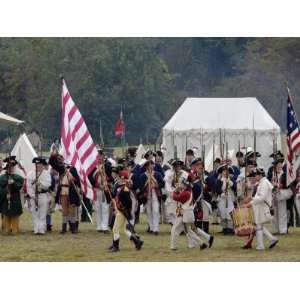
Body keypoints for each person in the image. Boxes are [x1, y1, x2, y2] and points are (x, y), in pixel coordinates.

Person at [170, 178, 213, 250]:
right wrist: (177, 189)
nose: (179, 184)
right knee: (190, 230)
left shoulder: (186, 193)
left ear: (184, 185)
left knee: (178, 230)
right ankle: (203, 243)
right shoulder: (187, 191)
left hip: (185, 214)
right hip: (185, 213)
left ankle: (174, 246)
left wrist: (175, 191)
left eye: (181, 183)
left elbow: (176, 197)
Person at [108, 170, 144, 252]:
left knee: (115, 229)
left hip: (122, 211)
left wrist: (124, 210)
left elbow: (128, 202)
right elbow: (116, 197)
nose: (121, 180)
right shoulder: (121, 187)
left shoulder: (125, 189)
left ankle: (116, 247)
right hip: (122, 211)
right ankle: (137, 241)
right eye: (121, 178)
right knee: (124, 229)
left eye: (123, 179)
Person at [244, 168, 279, 250]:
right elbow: (258, 197)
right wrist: (251, 199)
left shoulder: (264, 183)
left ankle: (261, 245)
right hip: (260, 208)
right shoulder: (262, 183)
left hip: (263, 208)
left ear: (260, 175)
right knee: (259, 226)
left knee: (259, 226)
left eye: (255, 175)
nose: (254, 177)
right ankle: (272, 239)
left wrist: (250, 203)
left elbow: (261, 198)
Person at [49, 151, 81, 234]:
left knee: (72, 210)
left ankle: (73, 228)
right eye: (60, 157)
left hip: (71, 191)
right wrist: (53, 155)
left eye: (62, 157)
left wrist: (73, 179)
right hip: (63, 191)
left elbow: (78, 181)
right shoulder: (61, 167)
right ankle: (64, 228)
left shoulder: (73, 169)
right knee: (64, 211)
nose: (60, 159)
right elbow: (51, 163)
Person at [27, 157, 52, 235]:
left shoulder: (46, 173)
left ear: (43, 165)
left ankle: (41, 229)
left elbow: (48, 184)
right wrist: (33, 196)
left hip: (43, 195)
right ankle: (36, 229)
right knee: (34, 213)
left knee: (43, 212)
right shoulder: (30, 174)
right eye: (37, 164)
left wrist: (40, 184)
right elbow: (28, 186)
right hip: (34, 196)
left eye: (40, 164)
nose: (38, 166)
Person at [139, 160, 165, 235]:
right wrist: (146, 185)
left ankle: (156, 228)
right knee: (149, 212)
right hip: (147, 196)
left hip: (156, 195)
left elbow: (162, 184)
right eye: (149, 165)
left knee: (156, 211)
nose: (150, 166)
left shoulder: (157, 174)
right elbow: (141, 187)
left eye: (151, 165)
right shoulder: (143, 176)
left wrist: (156, 185)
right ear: (146, 167)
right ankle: (151, 227)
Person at [0, 156, 24, 234]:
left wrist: (13, 183)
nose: (10, 169)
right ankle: (6, 228)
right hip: (5, 198)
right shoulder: (2, 177)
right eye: (9, 167)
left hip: (15, 197)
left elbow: (19, 187)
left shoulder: (18, 177)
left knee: (15, 213)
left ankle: (14, 229)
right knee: (6, 213)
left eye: (12, 167)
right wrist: (6, 191)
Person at [88, 149, 110, 233]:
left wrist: (107, 181)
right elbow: (90, 178)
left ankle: (105, 226)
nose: (99, 157)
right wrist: (97, 184)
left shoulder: (107, 166)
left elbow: (111, 177)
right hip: (97, 189)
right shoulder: (93, 167)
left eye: (101, 155)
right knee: (98, 208)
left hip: (105, 189)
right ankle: (99, 226)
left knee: (105, 208)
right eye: (98, 156)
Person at [270, 158, 292, 234]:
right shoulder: (273, 174)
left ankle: (283, 230)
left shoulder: (285, 174)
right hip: (274, 195)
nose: (279, 166)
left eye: (280, 165)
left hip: (282, 194)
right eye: (278, 165)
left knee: (282, 213)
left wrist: (279, 186)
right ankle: (276, 229)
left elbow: (288, 184)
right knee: (275, 213)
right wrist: (273, 186)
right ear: (275, 166)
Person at [164, 159, 188, 226]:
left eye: (179, 166)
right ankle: (175, 226)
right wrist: (172, 192)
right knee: (171, 211)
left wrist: (182, 189)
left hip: (181, 196)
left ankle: (180, 227)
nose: (177, 167)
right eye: (176, 166)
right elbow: (167, 185)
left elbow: (188, 184)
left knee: (181, 212)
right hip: (172, 195)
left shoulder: (185, 174)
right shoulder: (169, 173)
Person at [215, 163, 236, 235]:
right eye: (224, 171)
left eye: (227, 171)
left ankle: (230, 228)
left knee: (229, 213)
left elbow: (235, 187)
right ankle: (225, 228)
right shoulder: (219, 180)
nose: (225, 172)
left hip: (229, 198)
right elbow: (217, 189)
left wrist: (230, 183)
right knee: (223, 213)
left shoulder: (231, 179)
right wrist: (222, 193)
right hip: (222, 198)